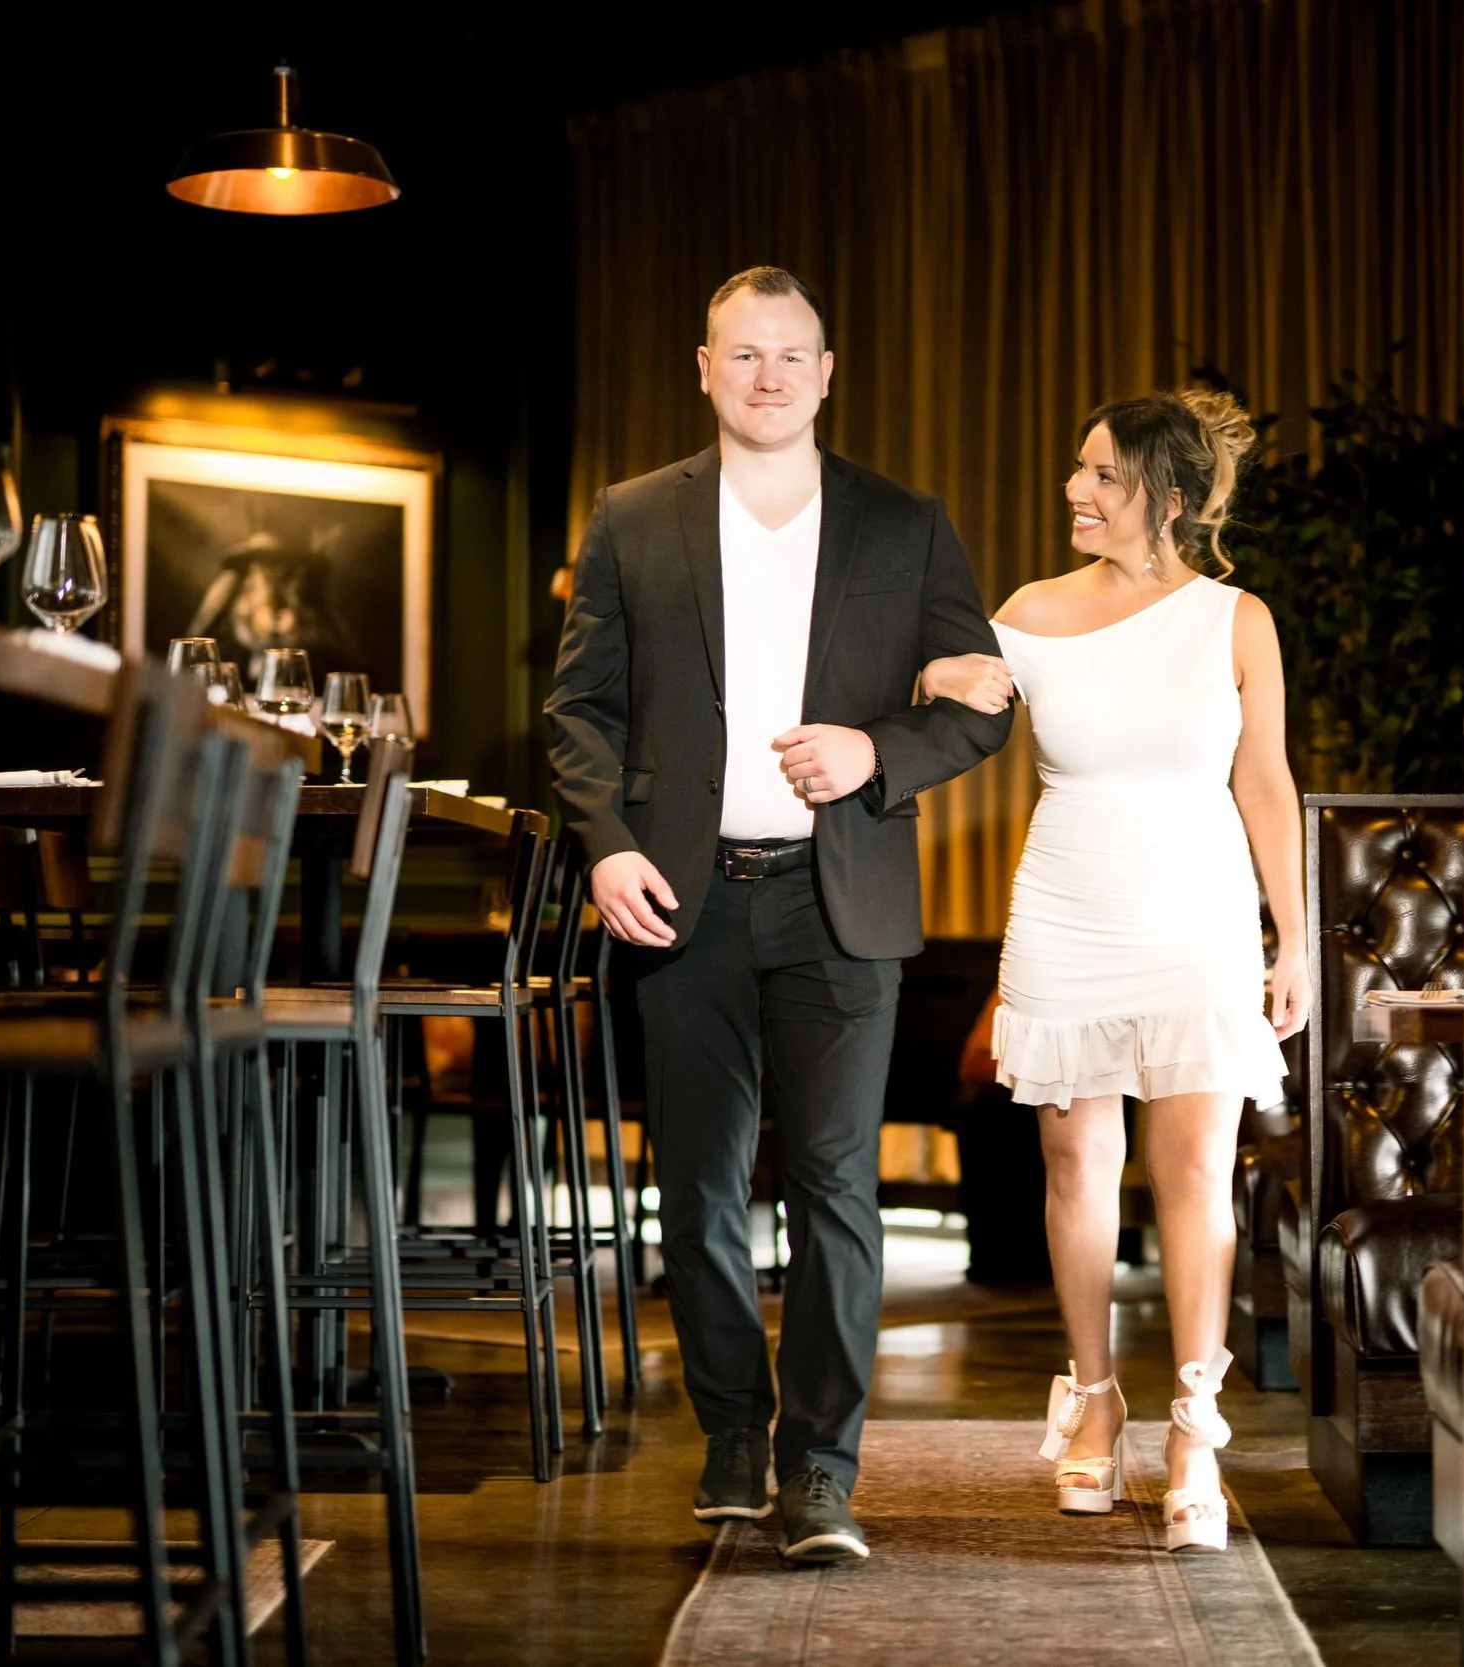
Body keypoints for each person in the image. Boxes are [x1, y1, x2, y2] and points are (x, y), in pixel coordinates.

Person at [546, 266, 1012, 1563]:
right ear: (704, 368)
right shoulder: (631, 517)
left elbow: (976, 699)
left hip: (838, 896)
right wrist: (606, 847)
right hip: (681, 903)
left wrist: (878, 752)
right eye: (742, 355)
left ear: (826, 370)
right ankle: (733, 1433)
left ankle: (819, 1466)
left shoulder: (904, 525)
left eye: (790, 355)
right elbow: (578, 710)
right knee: (693, 1195)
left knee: (835, 1190)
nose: (767, 377)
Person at [918, 388, 1307, 1553]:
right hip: (1064, 902)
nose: (1076, 489)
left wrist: (1291, 935)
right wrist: (936, 679)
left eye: (1102, 474)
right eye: (1077, 468)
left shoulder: (1239, 619)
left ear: (1171, 497)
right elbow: (955, 708)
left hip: (1197, 905)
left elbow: (1265, 784)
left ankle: (1196, 1419)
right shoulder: (1029, 610)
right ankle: (1094, 1394)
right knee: (1074, 1155)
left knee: (1193, 1167)